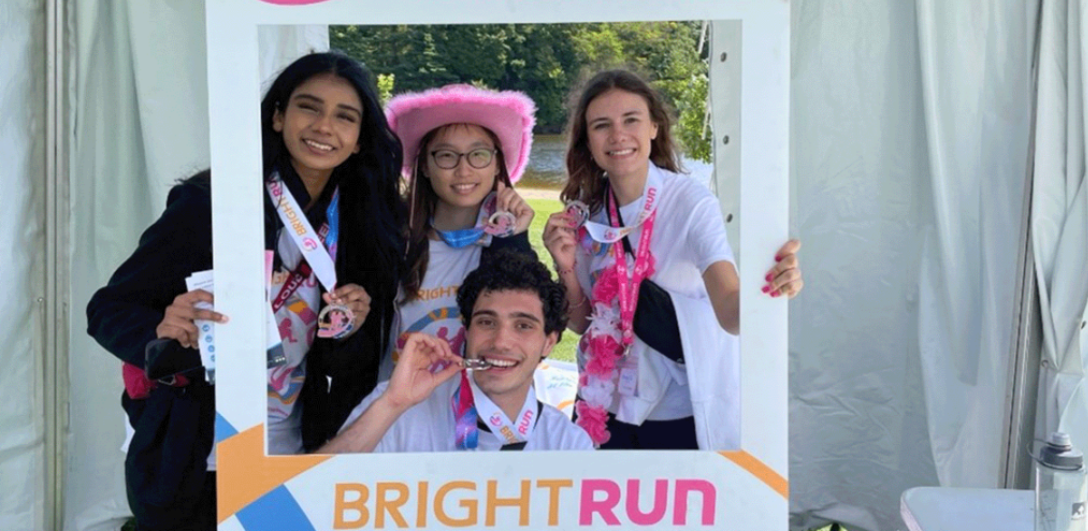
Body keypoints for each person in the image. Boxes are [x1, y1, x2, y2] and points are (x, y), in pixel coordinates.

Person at [85, 51, 405, 530]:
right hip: (197, 451)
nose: (324, 127)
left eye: (345, 116)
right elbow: (107, 309)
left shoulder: (362, 227)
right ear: (278, 116)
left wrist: (348, 329)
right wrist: (162, 327)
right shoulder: (211, 204)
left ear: (360, 139)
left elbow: (349, 366)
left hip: (290, 448)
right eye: (308, 107)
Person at [542, 69, 803, 451]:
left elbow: (730, 311)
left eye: (631, 120)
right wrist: (564, 264)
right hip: (602, 408)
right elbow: (582, 324)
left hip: (676, 414)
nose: (618, 135)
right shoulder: (587, 215)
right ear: (588, 141)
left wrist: (773, 290)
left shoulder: (691, 203)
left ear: (653, 128)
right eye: (602, 125)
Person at [321, 250, 593, 452]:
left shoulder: (568, 445)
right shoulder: (397, 405)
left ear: (549, 342)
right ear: (466, 329)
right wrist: (392, 405)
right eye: (487, 322)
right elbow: (311, 493)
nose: (501, 341)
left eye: (523, 325)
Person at [381, 84, 537, 375]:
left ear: (496, 163)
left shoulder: (509, 245)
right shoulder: (395, 242)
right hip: (402, 413)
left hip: (479, 415)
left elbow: (526, 334)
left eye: (478, 154)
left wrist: (513, 239)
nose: (464, 170)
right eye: (446, 155)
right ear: (425, 165)